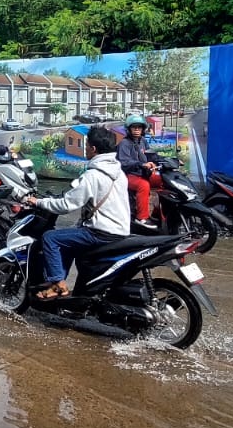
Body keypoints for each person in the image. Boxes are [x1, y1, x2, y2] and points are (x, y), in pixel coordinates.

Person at [29, 125, 131, 298]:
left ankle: (58, 283)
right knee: (69, 240)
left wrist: (38, 202)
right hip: (120, 230)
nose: (85, 148)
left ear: (93, 148)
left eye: (87, 145)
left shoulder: (93, 175)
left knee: (50, 238)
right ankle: (58, 283)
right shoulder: (119, 172)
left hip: (100, 233)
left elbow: (67, 205)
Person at [117, 114, 160, 225]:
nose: (137, 129)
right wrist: (141, 164)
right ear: (128, 129)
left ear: (143, 129)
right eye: (134, 127)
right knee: (143, 185)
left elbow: (152, 156)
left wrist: (171, 160)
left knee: (163, 180)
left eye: (139, 127)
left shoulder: (143, 141)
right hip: (129, 175)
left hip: (143, 173)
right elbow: (124, 162)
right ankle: (141, 218)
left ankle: (158, 213)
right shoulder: (124, 144)